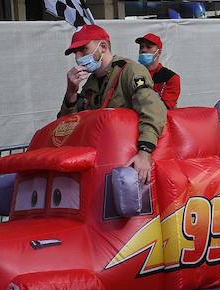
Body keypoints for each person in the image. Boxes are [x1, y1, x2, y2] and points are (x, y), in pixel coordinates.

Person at [61, 24, 168, 184]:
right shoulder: (90, 83)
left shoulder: (130, 71)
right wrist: (71, 92)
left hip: (126, 163)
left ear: (102, 46)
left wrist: (145, 152)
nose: (78, 57)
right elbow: (69, 126)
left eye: (83, 49)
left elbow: (153, 110)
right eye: (75, 53)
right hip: (99, 164)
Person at [135, 33, 181, 109]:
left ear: (159, 52)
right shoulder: (133, 74)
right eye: (141, 47)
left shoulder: (171, 78)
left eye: (148, 47)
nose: (143, 50)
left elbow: (164, 108)